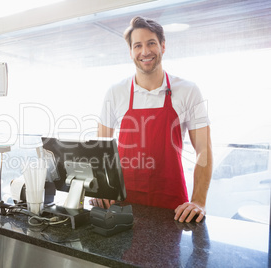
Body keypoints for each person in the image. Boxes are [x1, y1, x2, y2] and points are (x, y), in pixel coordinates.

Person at [91, 16, 213, 223]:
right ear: (130, 52)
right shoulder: (115, 92)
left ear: (163, 46)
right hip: (122, 203)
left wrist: (199, 201)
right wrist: (101, 188)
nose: (145, 51)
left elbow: (204, 149)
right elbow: (101, 147)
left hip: (172, 206)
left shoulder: (188, 90)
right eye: (137, 45)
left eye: (151, 43)